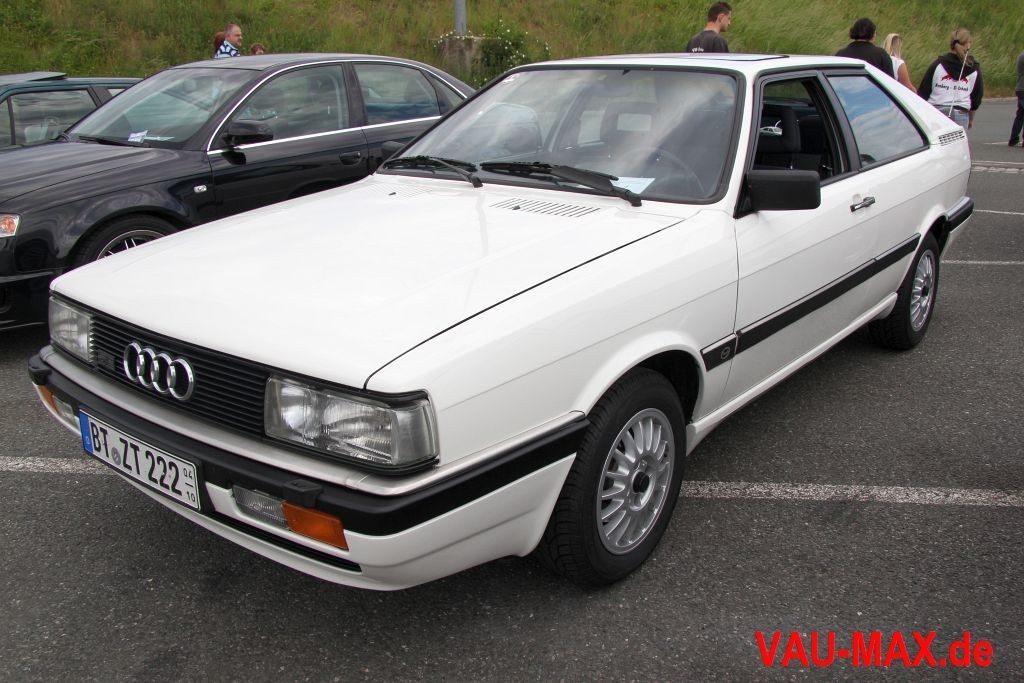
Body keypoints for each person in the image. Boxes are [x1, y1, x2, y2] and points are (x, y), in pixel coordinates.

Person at [918, 28, 983, 130]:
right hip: (960, 113)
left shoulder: (937, 65)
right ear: (968, 45)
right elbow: (976, 98)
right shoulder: (973, 69)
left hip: (935, 113)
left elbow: (923, 93)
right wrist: (971, 120)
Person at [1009, 48, 1024, 146]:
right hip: (1023, 89)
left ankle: (1013, 139)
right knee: (1021, 115)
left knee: (1021, 115)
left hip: (1021, 88)